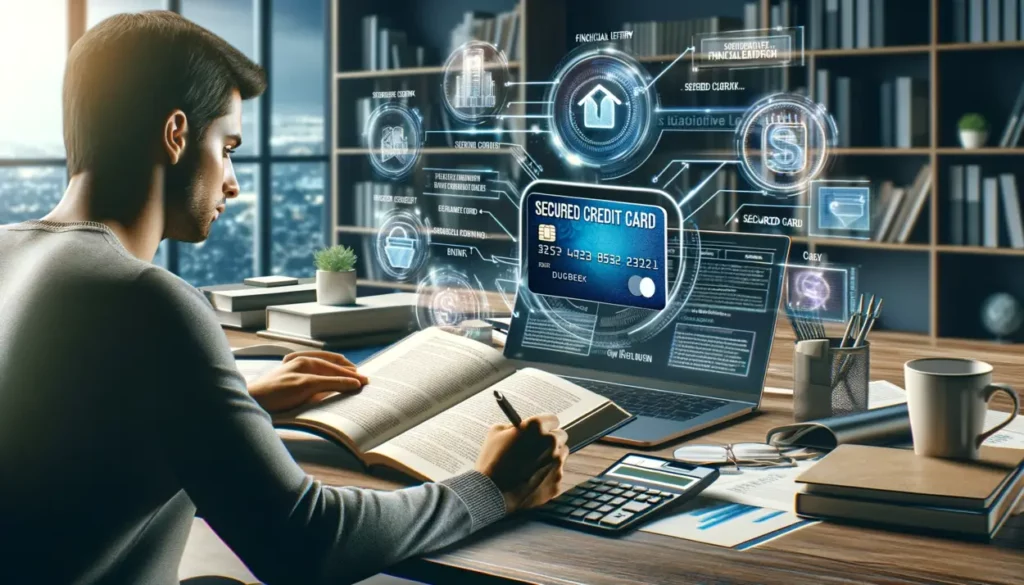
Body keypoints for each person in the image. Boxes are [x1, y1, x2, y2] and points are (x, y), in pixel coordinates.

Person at [0, 11, 568, 585]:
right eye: (228, 147)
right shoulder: (146, 299)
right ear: (175, 135)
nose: (233, 181)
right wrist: (493, 489)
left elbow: (57, 431)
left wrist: (234, 404)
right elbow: (308, 542)